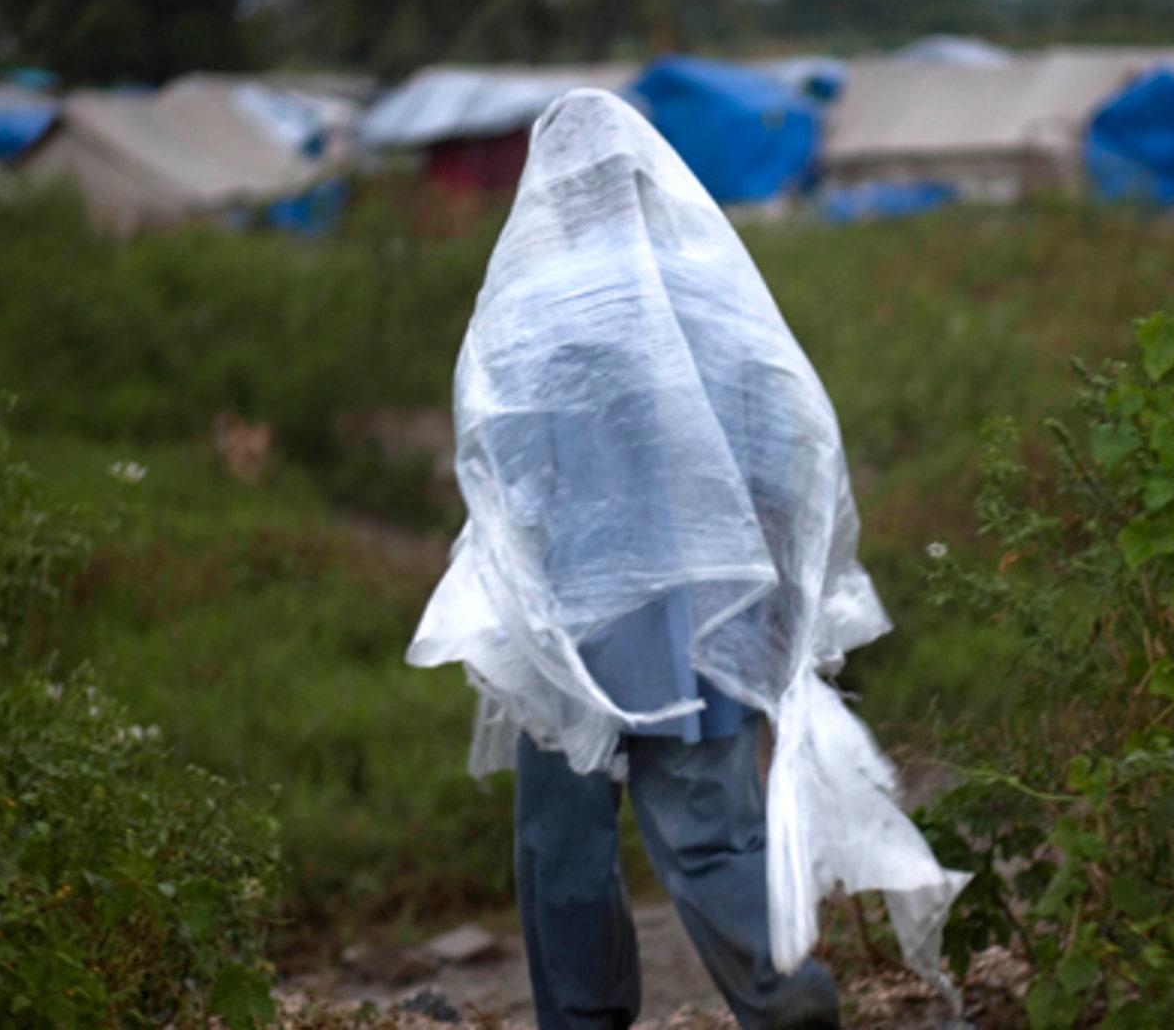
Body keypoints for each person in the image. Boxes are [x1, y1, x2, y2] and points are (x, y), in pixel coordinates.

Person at [407, 89, 966, 1030]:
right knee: (714, 834)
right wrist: (782, 598)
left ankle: (582, 1019)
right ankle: (782, 995)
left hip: (572, 634)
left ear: (556, 192)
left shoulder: (534, 311)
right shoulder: (709, 294)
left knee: (563, 844)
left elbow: (502, 473)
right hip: (706, 626)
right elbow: (785, 441)